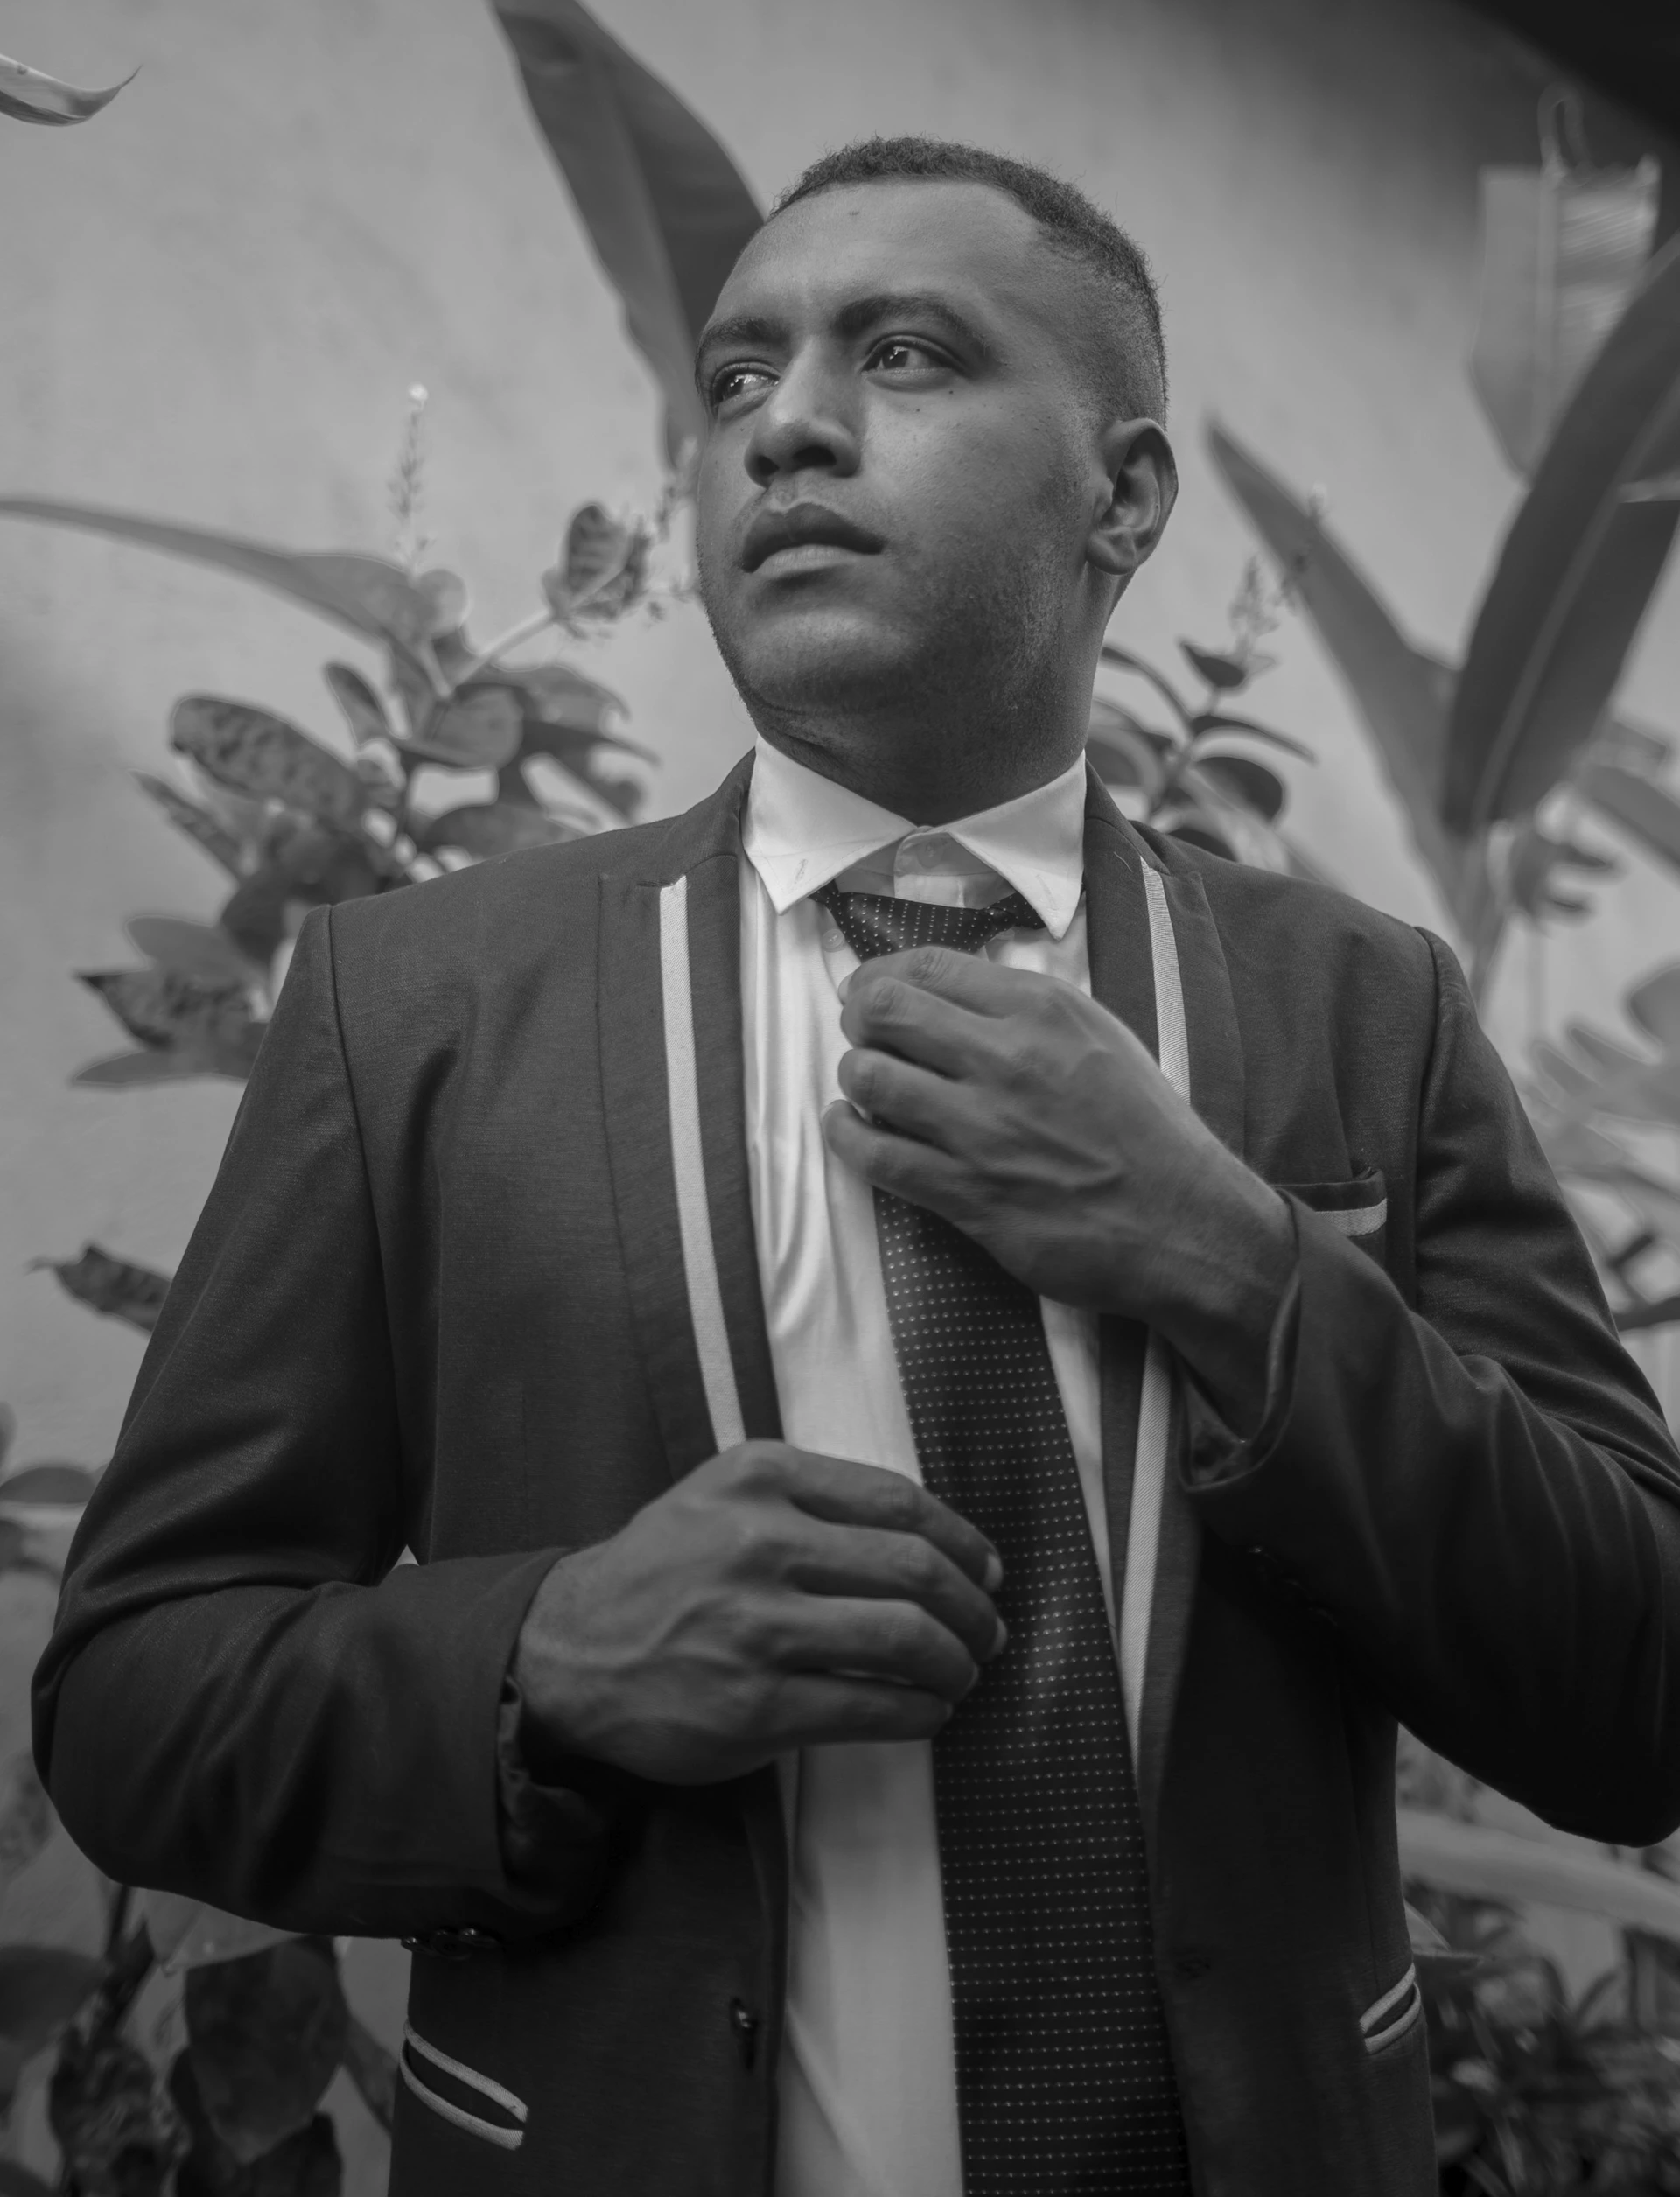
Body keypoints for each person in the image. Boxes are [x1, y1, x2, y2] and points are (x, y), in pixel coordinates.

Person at [35, 136, 1680, 2197]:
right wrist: (543, 1658)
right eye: (733, 381)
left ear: (1126, 499)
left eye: (905, 356)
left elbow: (1639, 1688)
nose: (786, 425)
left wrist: (1235, 1266)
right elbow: (130, 1698)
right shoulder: (417, 1005)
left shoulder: (1367, 1011)